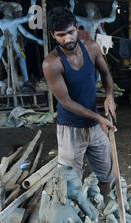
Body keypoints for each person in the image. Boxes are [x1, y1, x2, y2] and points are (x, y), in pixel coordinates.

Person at [42, 7, 116, 200]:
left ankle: (104, 210)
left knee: (106, 173)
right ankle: (75, 220)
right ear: (53, 35)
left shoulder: (91, 47)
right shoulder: (52, 63)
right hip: (70, 128)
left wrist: (109, 96)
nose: (67, 39)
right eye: (61, 35)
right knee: (70, 181)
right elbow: (65, 101)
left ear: (76, 27)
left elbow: (106, 74)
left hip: (94, 126)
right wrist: (98, 117)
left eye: (71, 32)